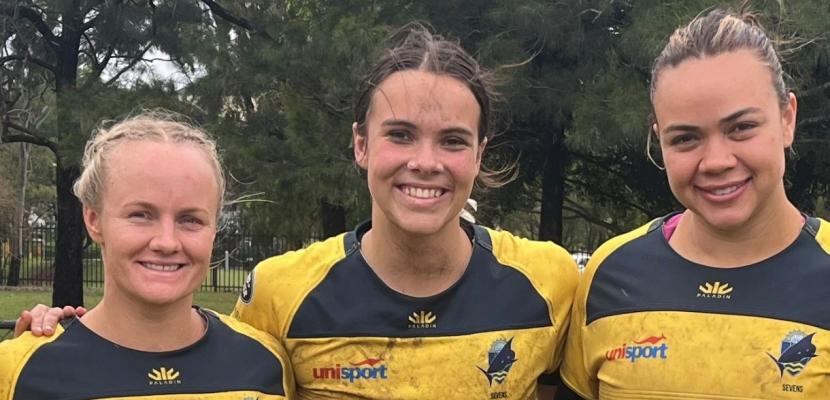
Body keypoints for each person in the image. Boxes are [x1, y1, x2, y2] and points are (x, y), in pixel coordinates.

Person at [17, 25, 579, 399]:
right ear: (360, 144)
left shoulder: (551, 279)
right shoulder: (278, 293)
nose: (425, 162)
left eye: (453, 141)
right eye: (400, 135)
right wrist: (66, 334)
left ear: (480, 154)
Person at [559, 6, 830, 399]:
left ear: (787, 119)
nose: (717, 161)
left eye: (741, 127)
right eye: (685, 138)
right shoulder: (609, 274)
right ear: (660, 141)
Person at [0, 114, 294, 399]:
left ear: (214, 228)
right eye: (141, 215)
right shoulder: (20, 370)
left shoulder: (265, 364)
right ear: (93, 220)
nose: (167, 242)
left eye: (190, 219)